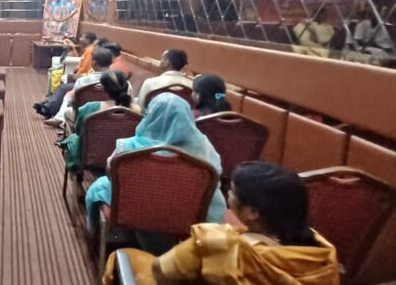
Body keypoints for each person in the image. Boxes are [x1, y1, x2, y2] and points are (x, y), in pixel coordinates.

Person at [103, 161, 340, 285]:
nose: (228, 194)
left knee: (122, 257)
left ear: (252, 212)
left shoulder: (215, 244)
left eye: (233, 191)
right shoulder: (323, 256)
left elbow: (161, 273)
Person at [85, 95, 227, 238]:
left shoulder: (128, 148)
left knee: (100, 186)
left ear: (150, 115)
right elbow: (214, 181)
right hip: (188, 215)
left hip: (134, 209)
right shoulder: (205, 149)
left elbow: (111, 173)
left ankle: (97, 237)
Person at [58, 70, 140, 172]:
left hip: (91, 159)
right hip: (122, 159)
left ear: (103, 89)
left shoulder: (89, 108)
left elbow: (79, 131)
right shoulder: (137, 111)